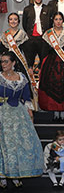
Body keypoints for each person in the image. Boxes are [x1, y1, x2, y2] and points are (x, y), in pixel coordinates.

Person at [0, 52, 43, 189]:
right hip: (2, 113)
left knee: (17, 144)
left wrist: (30, 113)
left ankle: (15, 174)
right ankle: (2, 175)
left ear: (13, 63)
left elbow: (26, 97)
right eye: (2, 62)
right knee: (4, 145)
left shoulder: (22, 78)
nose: (3, 64)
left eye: (6, 61)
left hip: (18, 114)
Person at [0, 12, 38, 110]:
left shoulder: (23, 35)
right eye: (11, 19)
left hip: (20, 63)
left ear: (19, 21)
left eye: (15, 19)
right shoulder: (4, 36)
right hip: (6, 64)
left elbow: (28, 52)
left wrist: (29, 65)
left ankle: (24, 109)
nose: (13, 21)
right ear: (8, 22)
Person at [22, 0, 53, 68]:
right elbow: (24, 24)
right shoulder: (27, 9)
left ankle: (43, 79)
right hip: (31, 39)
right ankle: (31, 79)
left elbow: (51, 24)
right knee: (29, 63)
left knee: (44, 62)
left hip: (43, 39)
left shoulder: (48, 9)